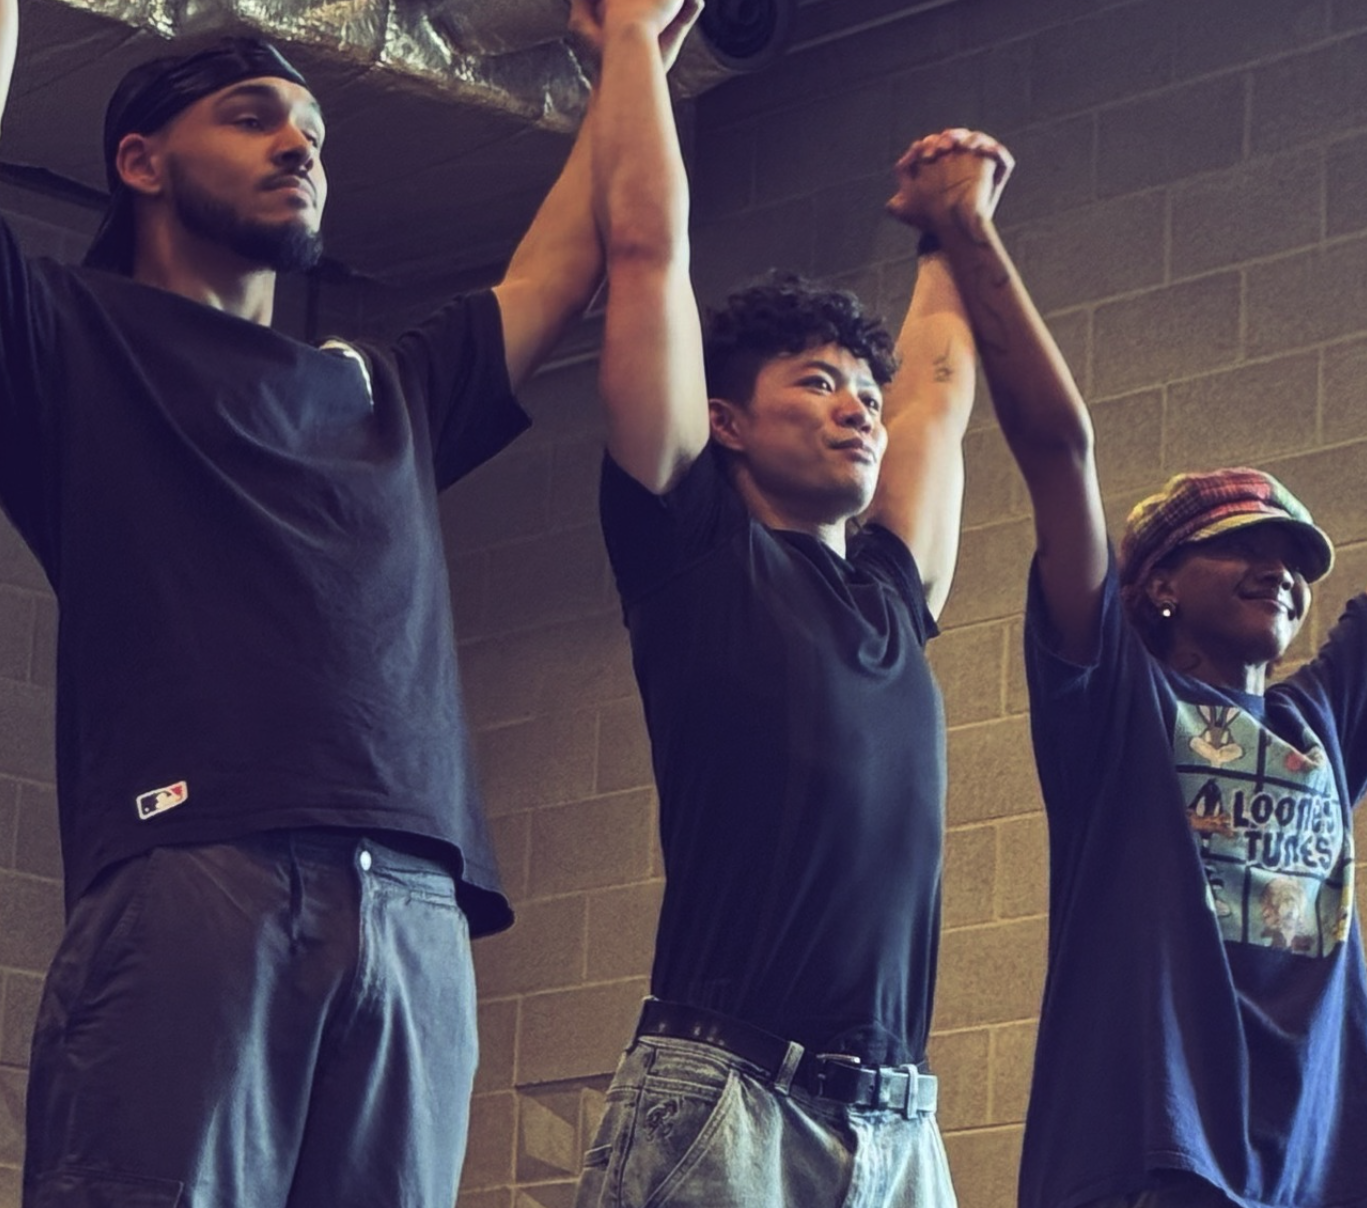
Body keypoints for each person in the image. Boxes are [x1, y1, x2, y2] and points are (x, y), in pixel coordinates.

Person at [0, 1, 620, 1201]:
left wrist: (635, 51)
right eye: (254, 119)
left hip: (420, 906)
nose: (300, 147)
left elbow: (563, 262)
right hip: (200, 862)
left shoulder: (384, 390)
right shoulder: (64, 337)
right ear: (140, 160)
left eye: (316, 134)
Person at [891, 121, 1367, 1208]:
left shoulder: (1323, 718)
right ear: (1161, 581)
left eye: (1294, 559)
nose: (1279, 569)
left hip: (1323, 1161)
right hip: (1153, 1150)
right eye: (1244, 545)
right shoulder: (1114, 696)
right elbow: (1060, 447)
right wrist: (968, 230)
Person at [569, 1, 989, 1202]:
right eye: (819, 381)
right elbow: (649, 253)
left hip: (901, 1125)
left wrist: (953, 234)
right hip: (728, 1096)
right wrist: (638, 49)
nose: (858, 403)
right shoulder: (689, 541)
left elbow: (939, 400)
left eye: (863, 386)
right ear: (729, 420)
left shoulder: (892, 598)